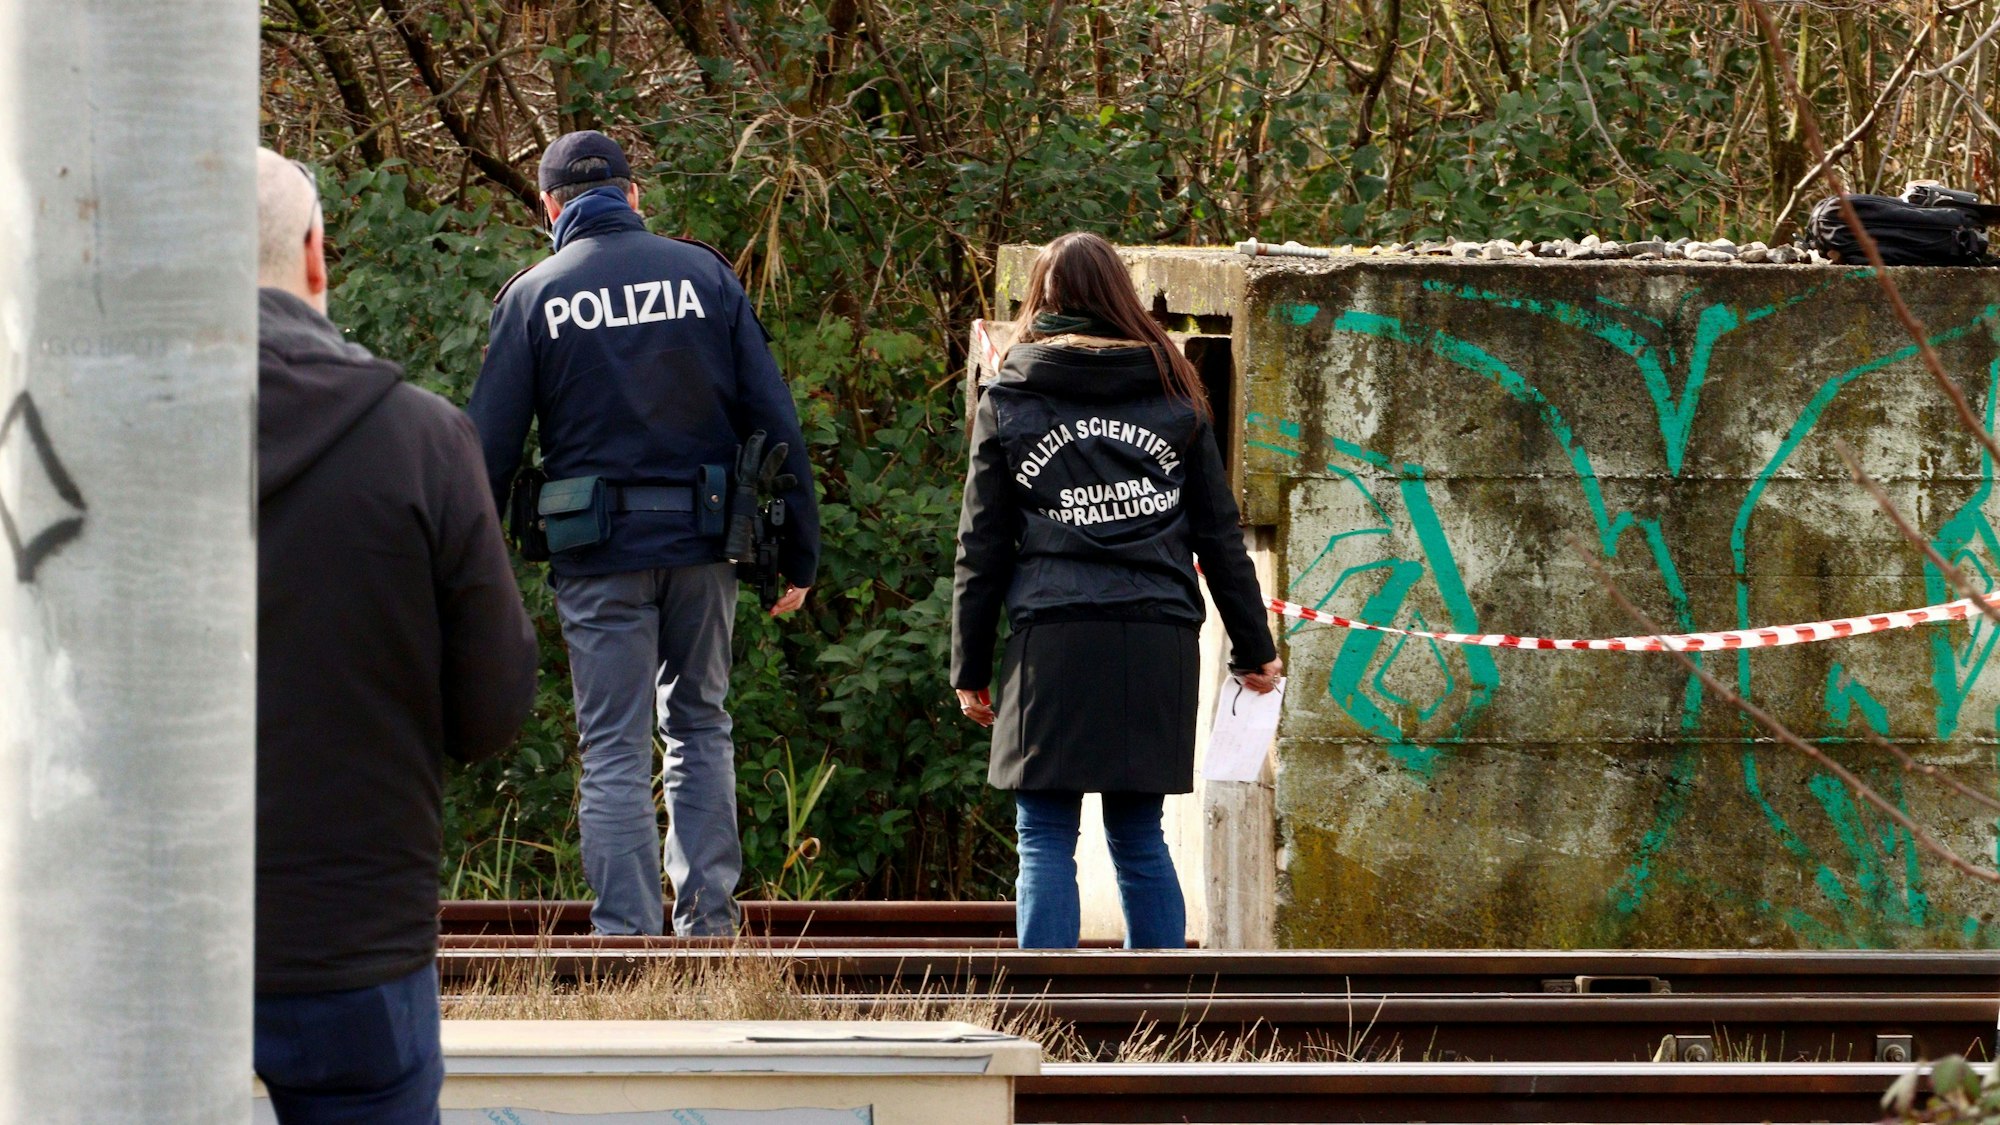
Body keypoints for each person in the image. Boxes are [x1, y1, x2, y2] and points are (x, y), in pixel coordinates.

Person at [467, 130, 820, 938]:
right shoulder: (706, 276)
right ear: (633, 195)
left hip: (596, 557)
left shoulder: (534, 296)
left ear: (549, 207)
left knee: (614, 747)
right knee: (701, 726)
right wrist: (800, 548)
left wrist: (468, 577)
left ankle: (626, 938)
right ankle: (710, 928)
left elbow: (486, 451)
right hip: (704, 544)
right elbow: (774, 415)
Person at [253, 147, 538, 1122]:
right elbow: (491, 709)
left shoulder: (84, 445)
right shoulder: (421, 440)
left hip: (132, 946)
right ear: (315, 256)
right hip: (353, 945)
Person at [951, 231, 1282, 950]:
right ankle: (1160, 1007)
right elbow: (1219, 537)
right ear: (1120, 298)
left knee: (1044, 835)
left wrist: (969, 667)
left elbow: (981, 546)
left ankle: (1046, 1003)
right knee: (1138, 833)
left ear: (1042, 300)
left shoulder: (1010, 398)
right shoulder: (1177, 395)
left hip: (1053, 638)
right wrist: (1255, 650)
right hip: (1156, 637)